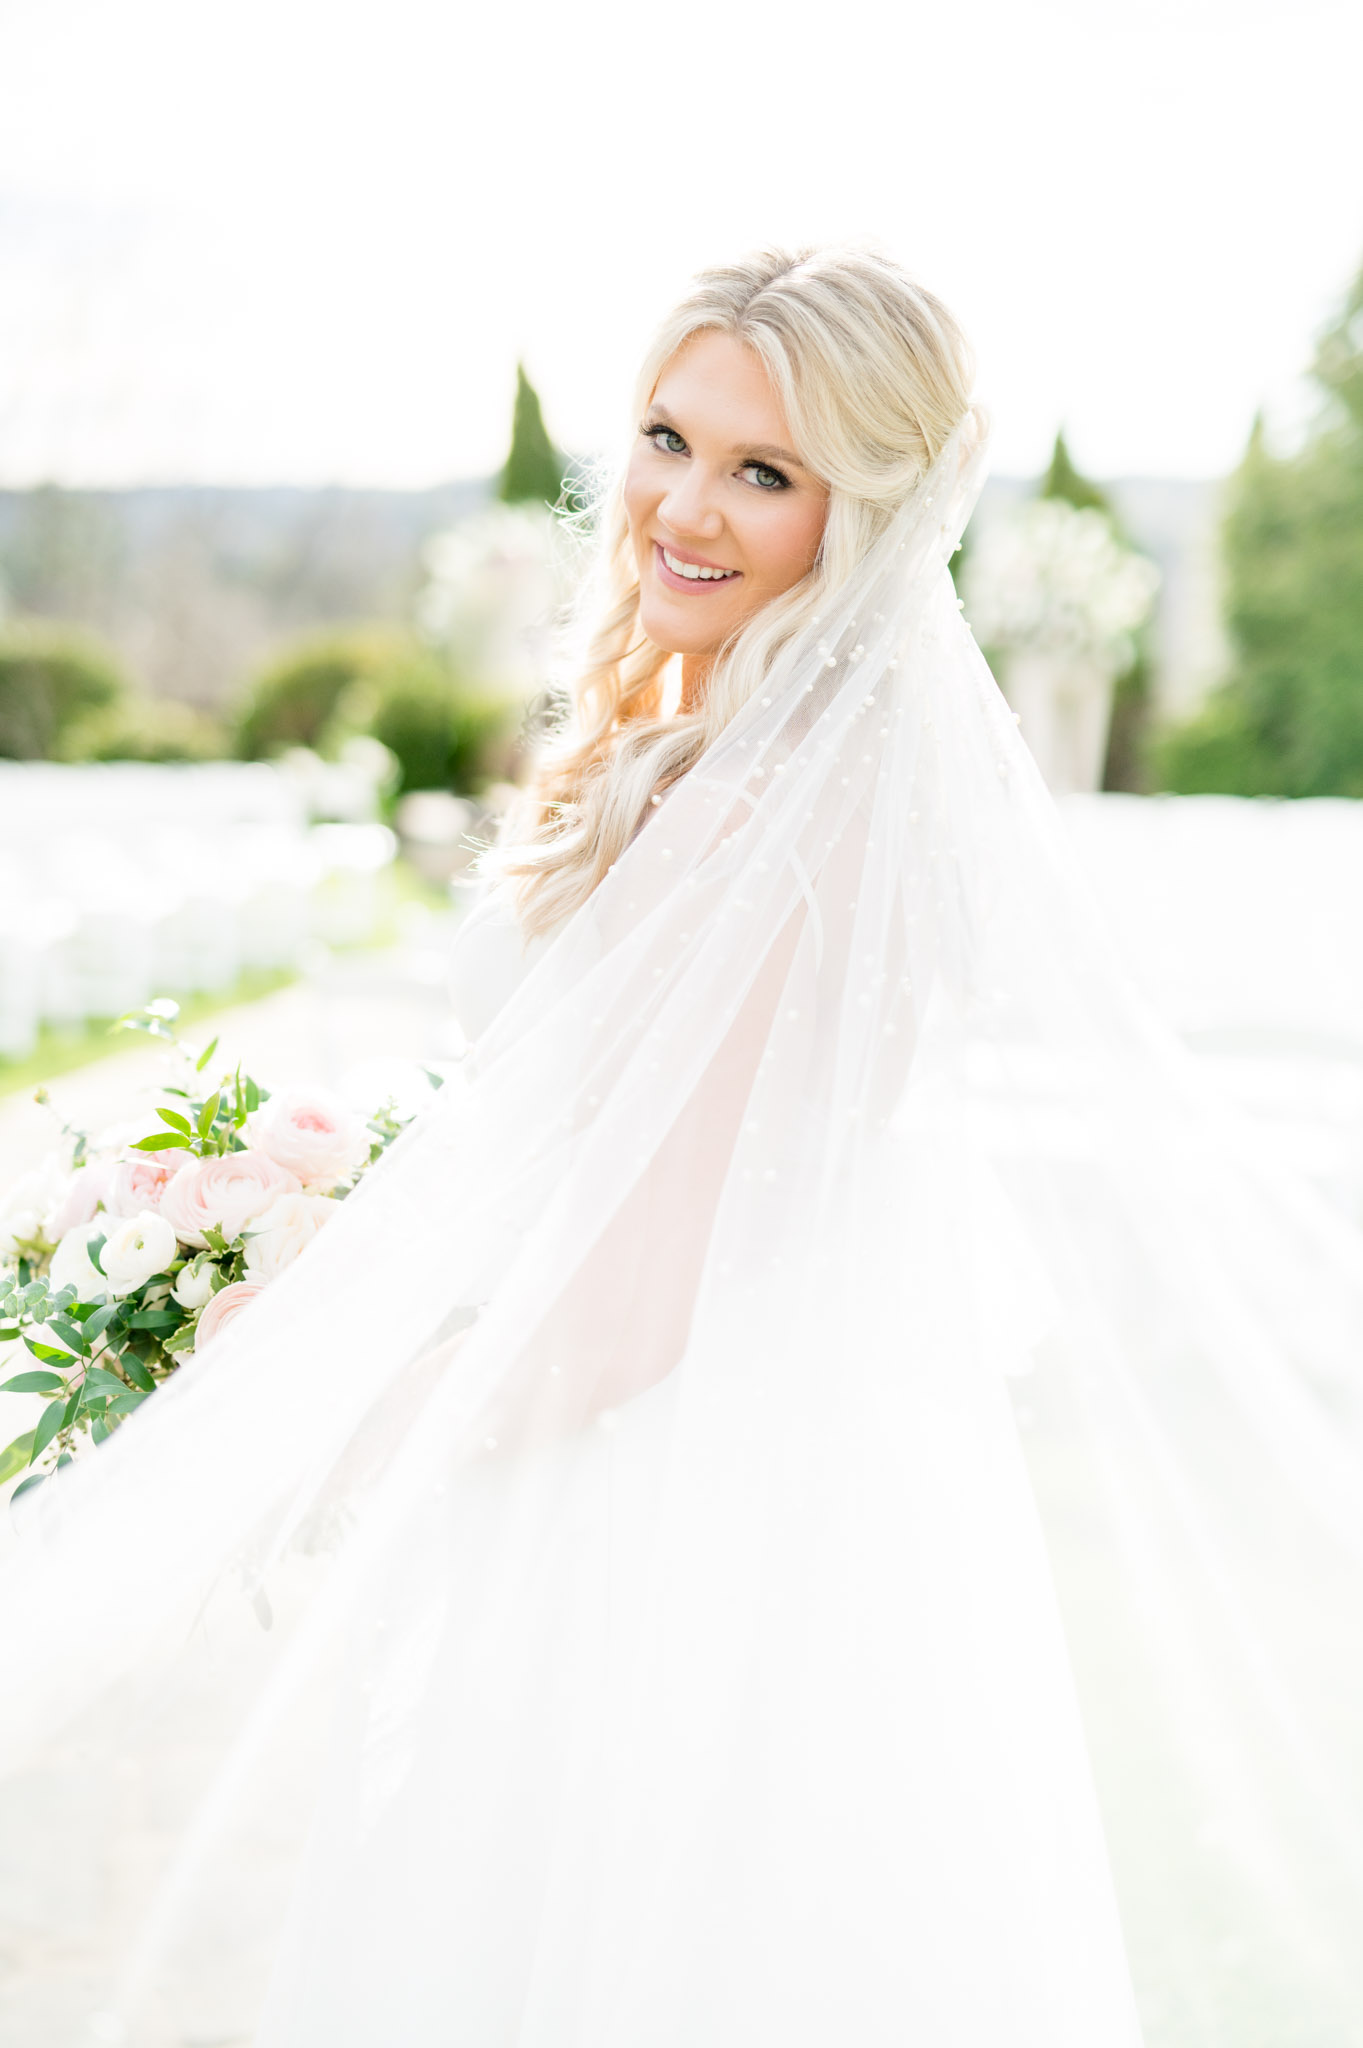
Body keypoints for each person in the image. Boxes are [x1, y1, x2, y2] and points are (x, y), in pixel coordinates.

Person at [2, 245, 1363, 2047]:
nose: (685, 506)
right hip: (774, 1453)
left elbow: (630, 1313)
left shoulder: (771, 811)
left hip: (662, 1498)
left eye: (765, 472)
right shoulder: (769, 754)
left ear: (863, 514)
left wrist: (332, 1411)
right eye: (668, 436)